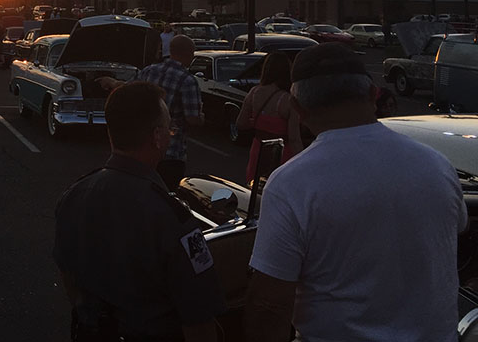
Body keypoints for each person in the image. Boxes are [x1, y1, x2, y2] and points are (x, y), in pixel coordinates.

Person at [245, 42, 468, 341]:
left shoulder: (291, 184)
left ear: (298, 108)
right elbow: (458, 230)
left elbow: (270, 304)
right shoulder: (437, 165)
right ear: (373, 94)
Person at [53, 81, 223, 341]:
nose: (171, 135)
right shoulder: (172, 217)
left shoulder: (74, 195)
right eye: (169, 128)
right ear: (157, 137)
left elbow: (68, 278)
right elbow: (198, 319)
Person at [134, 34, 203, 191]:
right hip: (171, 151)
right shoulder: (187, 80)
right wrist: (202, 118)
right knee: (166, 195)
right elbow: (192, 118)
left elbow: (133, 93)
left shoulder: (148, 71)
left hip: (143, 147)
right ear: (188, 53)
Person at [236, 52, 303, 183]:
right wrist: (302, 160)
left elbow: (241, 123)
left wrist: (258, 123)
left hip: (258, 150)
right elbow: (294, 138)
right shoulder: (288, 100)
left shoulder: (254, 92)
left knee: (256, 185)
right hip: (282, 154)